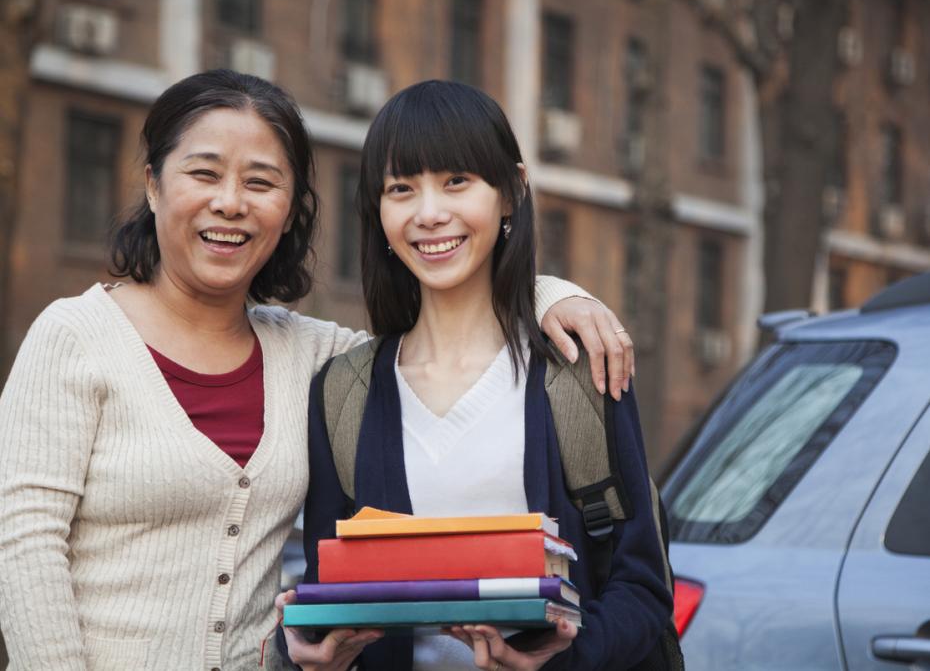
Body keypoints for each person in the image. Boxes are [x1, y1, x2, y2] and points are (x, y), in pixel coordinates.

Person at [0, 70, 634, 670]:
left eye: (260, 181)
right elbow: (23, 548)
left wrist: (548, 294)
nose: (230, 203)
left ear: (289, 206)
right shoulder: (76, 337)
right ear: (153, 184)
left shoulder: (312, 357)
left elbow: (446, 334)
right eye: (204, 173)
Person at [280, 80, 673, 671]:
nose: (430, 213)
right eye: (401, 189)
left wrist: (562, 659)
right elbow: (333, 588)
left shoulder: (579, 368)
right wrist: (319, 654)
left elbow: (643, 587)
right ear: (379, 212)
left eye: (456, 181)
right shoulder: (342, 393)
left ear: (511, 192)